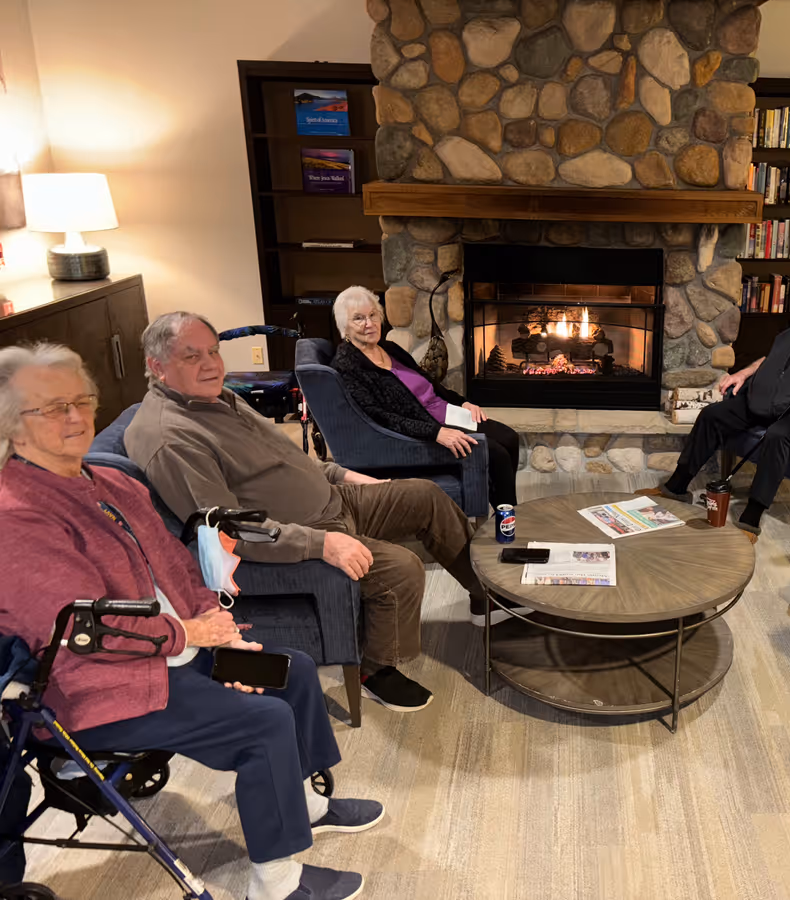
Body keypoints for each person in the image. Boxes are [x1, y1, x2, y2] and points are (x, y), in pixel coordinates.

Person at [0, 343, 380, 900]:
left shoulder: (111, 484)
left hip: (172, 655)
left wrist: (214, 622)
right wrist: (189, 635)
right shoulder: (17, 516)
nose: (77, 417)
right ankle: (276, 884)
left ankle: (307, 803)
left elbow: (178, 565)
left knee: (291, 670)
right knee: (264, 723)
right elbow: (82, 628)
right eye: (52, 408)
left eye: (81, 400)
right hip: (96, 691)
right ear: (11, 424)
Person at [124, 312, 506, 717]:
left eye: (214, 351)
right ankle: (376, 671)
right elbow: (227, 531)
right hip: (304, 531)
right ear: (157, 366)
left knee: (425, 496)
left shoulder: (219, 397)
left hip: (333, 499)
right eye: (191, 356)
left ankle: (486, 595)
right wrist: (321, 544)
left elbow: (285, 457)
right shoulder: (172, 437)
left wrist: (345, 475)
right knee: (400, 568)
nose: (211, 364)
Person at [643, 268, 790, 538]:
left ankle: (752, 515)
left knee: (777, 436)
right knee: (713, 415)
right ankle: (677, 487)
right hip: (762, 396)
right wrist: (743, 373)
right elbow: (772, 358)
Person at [330, 285, 520, 511]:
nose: (369, 324)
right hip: (425, 428)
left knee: (510, 438)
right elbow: (379, 416)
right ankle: (507, 521)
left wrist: (463, 402)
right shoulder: (349, 366)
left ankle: (502, 506)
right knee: (495, 453)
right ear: (345, 327)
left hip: (446, 411)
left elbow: (429, 384)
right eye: (358, 319)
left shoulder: (388, 348)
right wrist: (435, 432)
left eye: (372, 315)